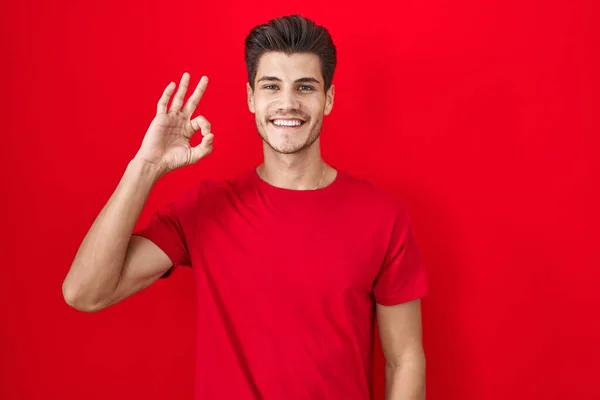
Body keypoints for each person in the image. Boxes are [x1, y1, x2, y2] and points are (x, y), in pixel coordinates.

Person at [62, 14, 429, 400]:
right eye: (272, 86)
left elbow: (404, 358)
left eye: (305, 87)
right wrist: (146, 167)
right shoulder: (206, 209)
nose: (288, 103)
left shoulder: (381, 217)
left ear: (329, 99)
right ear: (252, 97)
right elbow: (85, 292)